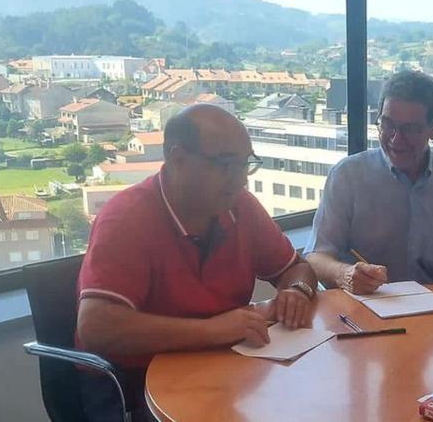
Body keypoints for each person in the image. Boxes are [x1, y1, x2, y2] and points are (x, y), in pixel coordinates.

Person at [76, 104, 318, 421]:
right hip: (131, 381)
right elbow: (96, 326)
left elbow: (295, 268)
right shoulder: (127, 218)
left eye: (245, 164)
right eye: (225, 165)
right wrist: (212, 331)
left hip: (217, 362)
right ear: (178, 159)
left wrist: (297, 292)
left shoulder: (238, 205)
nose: (241, 180)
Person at [306, 70, 433, 294]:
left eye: (410, 129)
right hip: (363, 306)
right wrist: (344, 274)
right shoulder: (347, 176)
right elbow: (316, 257)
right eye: (388, 124)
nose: (396, 139)